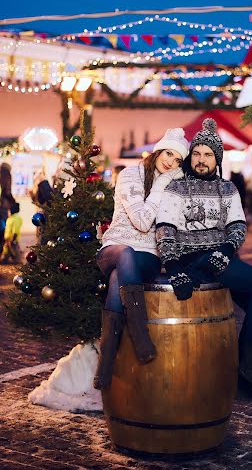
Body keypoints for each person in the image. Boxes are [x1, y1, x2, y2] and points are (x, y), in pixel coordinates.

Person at [156, 118, 252, 400]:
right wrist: (174, 266)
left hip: (220, 258)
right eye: (197, 153)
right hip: (189, 257)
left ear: (217, 159)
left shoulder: (228, 189)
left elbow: (237, 226)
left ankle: (247, 367)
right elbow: (165, 229)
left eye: (208, 155)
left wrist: (225, 251)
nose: (201, 160)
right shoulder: (175, 189)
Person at [93, 127, 189, 390]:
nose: (170, 161)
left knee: (119, 277)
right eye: (168, 153)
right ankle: (139, 333)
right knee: (125, 255)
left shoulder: (173, 187)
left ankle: (105, 366)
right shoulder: (130, 175)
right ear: (159, 149)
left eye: (178, 160)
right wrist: (159, 187)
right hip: (114, 248)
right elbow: (142, 220)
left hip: (147, 256)